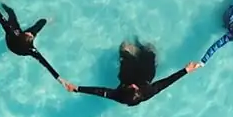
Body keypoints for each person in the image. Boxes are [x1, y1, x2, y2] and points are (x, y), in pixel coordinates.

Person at [61, 40, 200, 106]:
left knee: (126, 48)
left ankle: (129, 53)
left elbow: (100, 91)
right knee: (149, 51)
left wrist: (77, 89)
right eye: (135, 88)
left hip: (127, 75)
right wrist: (186, 70)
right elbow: (165, 83)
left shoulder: (119, 96)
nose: (134, 85)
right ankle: (144, 52)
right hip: (146, 75)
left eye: (131, 88)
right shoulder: (147, 92)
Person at [0, 0, 61, 81]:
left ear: (22, 34)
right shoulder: (31, 49)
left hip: (14, 41)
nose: (30, 33)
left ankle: (1, 3)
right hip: (16, 44)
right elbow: (45, 63)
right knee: (40, 24)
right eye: (31, 35)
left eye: (29, 34)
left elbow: (0, 18)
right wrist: (60, 79)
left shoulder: (12, 32)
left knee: (11, 12)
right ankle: (48, 20)